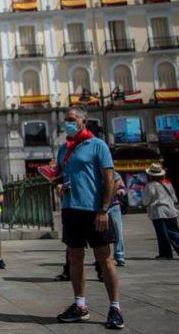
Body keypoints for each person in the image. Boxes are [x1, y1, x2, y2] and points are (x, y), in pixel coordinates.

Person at [54, 107, 123, 330]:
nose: (68, 124)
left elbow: (110, 179)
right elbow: (62, 176)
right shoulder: (64, 149)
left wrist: (104, 209)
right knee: (75, 258)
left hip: (94, 210)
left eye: (72, 120)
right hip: (71, 209)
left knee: (105, 258)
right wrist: (59, 186)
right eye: (66, 121)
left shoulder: (97, 145)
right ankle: (80, 306)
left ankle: (115, 307)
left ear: (84, 122)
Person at [142, 164, 179, 260]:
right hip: (171, 209)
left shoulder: (150, 185)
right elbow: (175, 198)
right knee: (173, 230)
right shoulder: (167, 183)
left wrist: (146, 204)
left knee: (162, 234)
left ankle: (167, 253)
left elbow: (146, 200)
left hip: (159, 211)